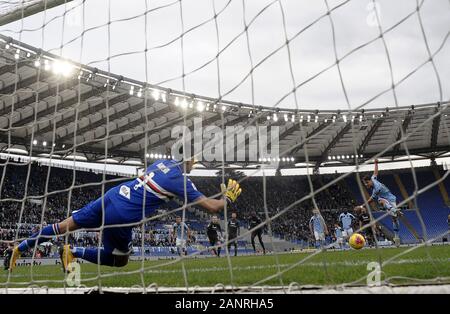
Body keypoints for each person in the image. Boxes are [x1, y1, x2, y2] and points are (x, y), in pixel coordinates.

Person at [9, 152, 242, 271]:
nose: (195, 162)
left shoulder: (160, 164)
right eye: (194, 160)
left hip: (112, 195)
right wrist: (227, 199)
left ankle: (18, 250)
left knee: (62, 226)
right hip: (122, 214)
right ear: (189, 161)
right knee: (120, 261)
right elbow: (212, 207)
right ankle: (74, 251)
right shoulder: (180, 181)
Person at [360, 159, 401, 246]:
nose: (366, 185)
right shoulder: (373, 178)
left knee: (380, 201)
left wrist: (362, 205)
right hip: (391, 200)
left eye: (367, 183)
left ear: (370, 181)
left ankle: (394, 210)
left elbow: (371, 200)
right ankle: (397, 237)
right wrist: (376, 163)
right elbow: (375, 173)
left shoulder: (377, 188)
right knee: (394, 219)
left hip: (389, 200)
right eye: (365, 184)